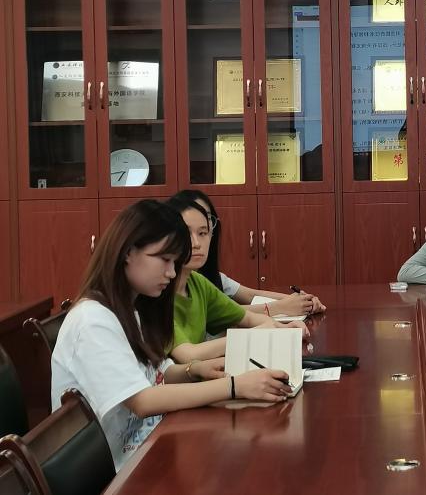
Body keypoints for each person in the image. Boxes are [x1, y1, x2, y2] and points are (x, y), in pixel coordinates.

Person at [50, 200, 293, 471]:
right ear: (128, 252)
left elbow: (160, 373)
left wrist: (195, 370)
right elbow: (143, 400)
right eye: (165, 260)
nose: (172, 273)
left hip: (150, 447)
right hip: (119, 472)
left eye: (175, 262)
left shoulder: (130, 310)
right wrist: (235, 386)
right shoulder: (93, 321)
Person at [166, 196, 307, 363]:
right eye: (186, 233)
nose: (197, 243)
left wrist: (285, 328)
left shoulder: (197, 282)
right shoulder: (157, 292)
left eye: (203, 233)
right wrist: (257, 333)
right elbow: (188, 355)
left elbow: (247, 317)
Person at [170, 189, 325, 316]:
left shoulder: (204, 278)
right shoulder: (170, 281)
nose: (197, 242)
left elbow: (250, 295)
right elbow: (220, 313)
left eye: (207, 219)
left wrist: (301, 300)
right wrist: (280, 307)